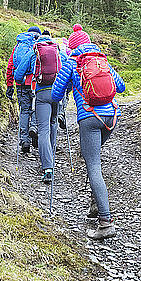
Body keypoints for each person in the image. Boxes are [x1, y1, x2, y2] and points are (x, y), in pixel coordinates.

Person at [51, 24, 125, 240]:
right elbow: (119, 87)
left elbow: (56, 94)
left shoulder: (71, 62)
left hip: (90, 118)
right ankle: (95, 205)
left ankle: (105, 222)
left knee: (93, 165)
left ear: (72, 46)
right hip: (111, 117)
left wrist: (71, 87)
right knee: (94, 160)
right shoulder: (102, 60)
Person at [14, 34, 67, 184]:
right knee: (53, 123)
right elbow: (69, 72)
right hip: (58, 92)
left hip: (42, 93)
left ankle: (47, 168)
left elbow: (18, 75)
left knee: (43, 129)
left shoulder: (33, 51)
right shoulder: (58, 51)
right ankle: (51, 157)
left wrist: (27, 81)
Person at [6, 26, 41, 153]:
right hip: (34, 83)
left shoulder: (18, 46)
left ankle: (24, 141)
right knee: (36, 108)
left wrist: (10, 85)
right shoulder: (38, 46)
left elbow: (10, 66)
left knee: (24, 111)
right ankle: (34, 128)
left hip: (20, 83)